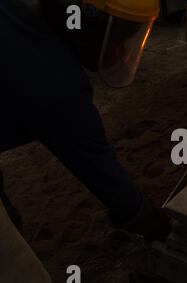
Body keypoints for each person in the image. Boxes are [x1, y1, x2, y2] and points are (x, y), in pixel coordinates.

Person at [0, 0, 170, 239]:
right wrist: (156, 224)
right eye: (118, 40)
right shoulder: (52, 78)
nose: (121, 53)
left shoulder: (24, 16)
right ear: (88, 28)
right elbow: (99, 169)